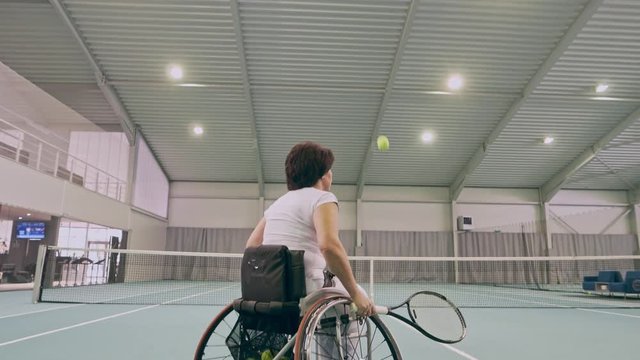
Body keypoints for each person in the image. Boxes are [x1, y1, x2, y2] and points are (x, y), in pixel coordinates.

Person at [245, 141, 374, 317]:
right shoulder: (323, 198)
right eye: (330, 169)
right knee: (358, 302)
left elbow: (252, 246)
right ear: (323, 174)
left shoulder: (278, 203)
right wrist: (355, 294)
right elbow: (329, 246)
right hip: (307, 284)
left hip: (273, 286)